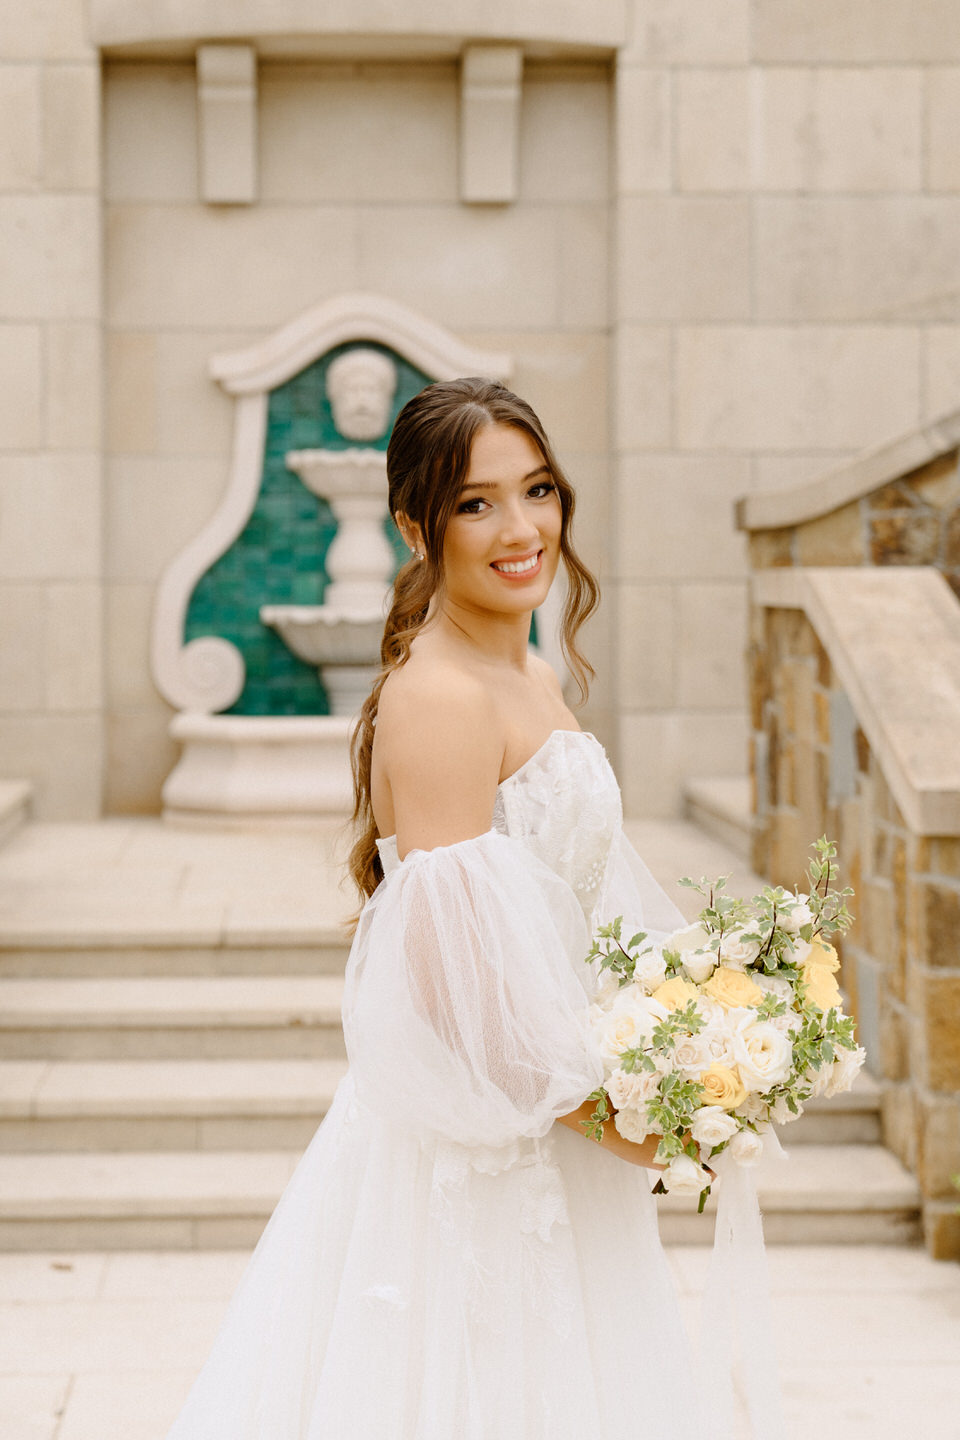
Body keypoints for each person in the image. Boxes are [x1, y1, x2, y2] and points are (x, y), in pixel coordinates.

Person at [163, 378, 780, 1440]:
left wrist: (697, 1030)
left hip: (554, 1120)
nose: (522, 528)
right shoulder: (439, 696)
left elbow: (574, 908)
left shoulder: (532, 667)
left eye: (536, 490)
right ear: (415, 526)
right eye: (476, 504)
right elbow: (462, 996)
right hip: (486, 1150)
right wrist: (646, 1130)